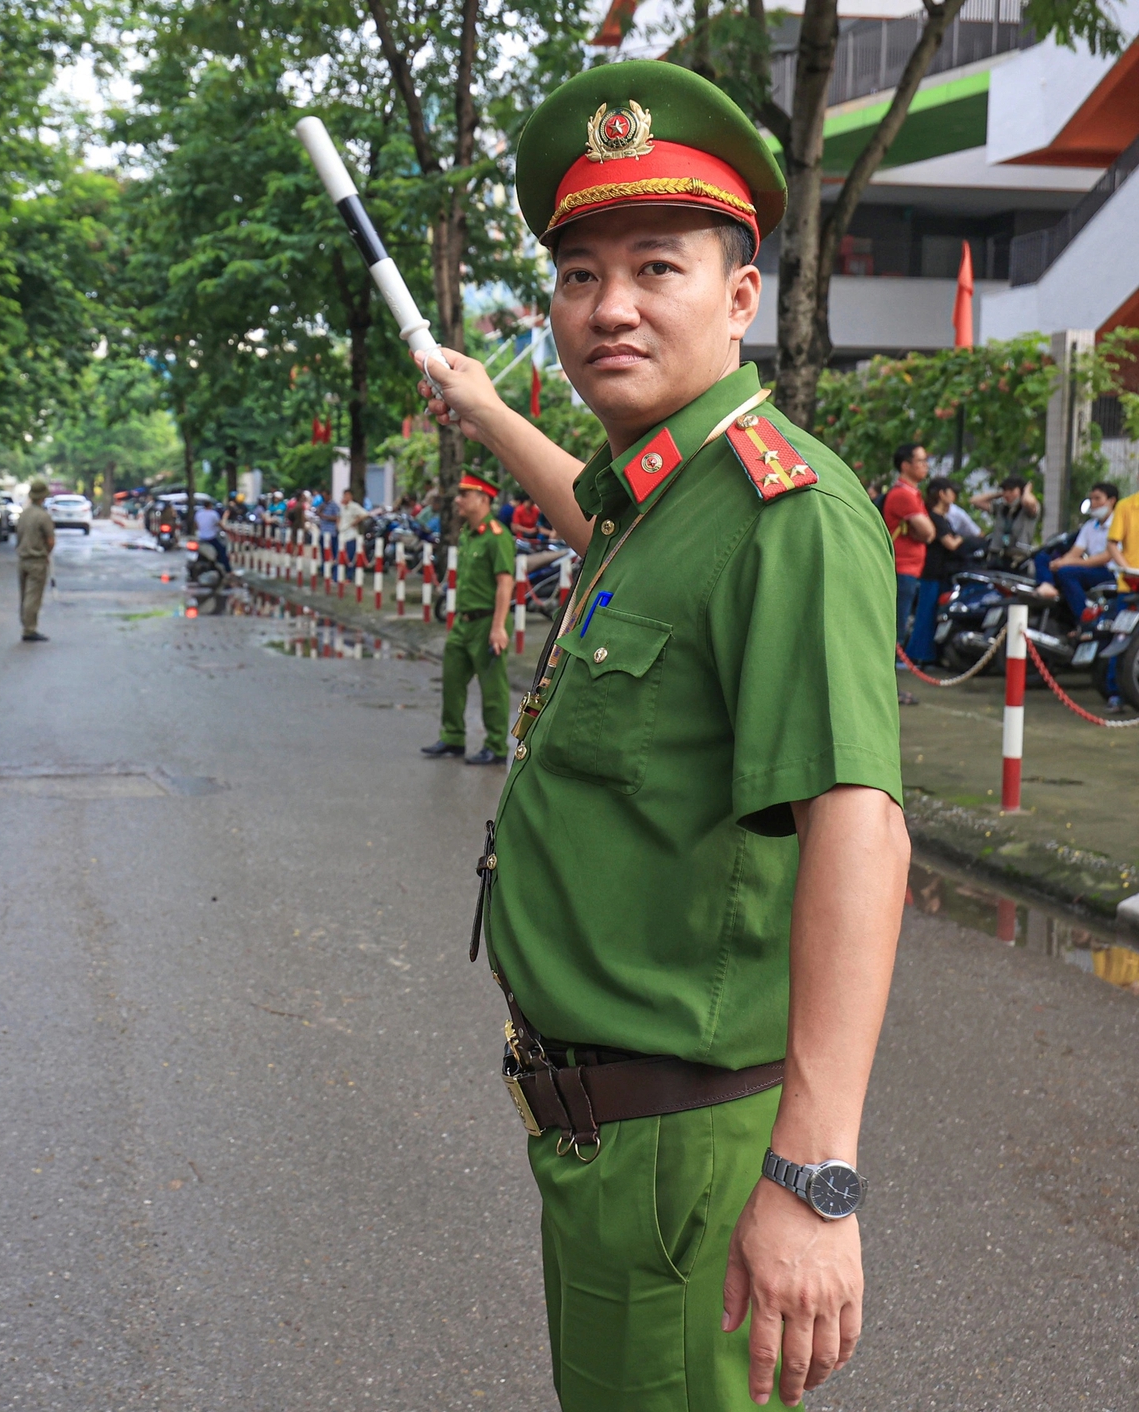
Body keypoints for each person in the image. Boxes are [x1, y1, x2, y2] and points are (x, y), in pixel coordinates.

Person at [415, 60, 905, 1411]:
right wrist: (484, 404)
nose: (607, 306)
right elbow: (603, 526)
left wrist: (815, 1181)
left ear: (741, 296)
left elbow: (861, 832)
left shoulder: (782, 514)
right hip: (608, 1140)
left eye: (654, 267)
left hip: (690, 1150)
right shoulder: (661, 499)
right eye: (577, 275)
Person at [420, 472, 515, 764]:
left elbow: (505, 583)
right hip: (463, 622)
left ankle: (496, 746)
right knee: (452, 679)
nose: (458, 501)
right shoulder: (467, 534)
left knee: (492, 688)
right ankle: (452, 737)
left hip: (488, 622)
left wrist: (498, 627)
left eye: (465, 495)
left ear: (483, 499)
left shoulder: (496, 536)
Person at [909, 479, 982, 664]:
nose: (954, 495)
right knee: (925, 614)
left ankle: (929, 655)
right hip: (932, 572)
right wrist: (962, 539)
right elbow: (950, 543)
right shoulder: (934, 517)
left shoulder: (943, 518)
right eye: (951, 491)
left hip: (942, 573)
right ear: (941, 494)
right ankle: (918, 655)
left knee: (933, 614)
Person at [880, 445, 935, 681]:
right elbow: (928, 532)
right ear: (905, 465)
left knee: (898, 627)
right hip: (901, 570)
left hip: (909, 571)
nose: (925, 466)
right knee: (895, 630)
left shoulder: (912, 494)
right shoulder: (902, 494)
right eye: (921, 461)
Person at [1036, 482, 1119, 621]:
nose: (1093, 503)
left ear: (1111, 501)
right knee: (1043, 557)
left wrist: (1069, 563)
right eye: (1091, 499)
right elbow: (1075, 551)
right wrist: (1061, 562)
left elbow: (1105, 557)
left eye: (1098, 498)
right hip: (1089, 568)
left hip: (1108, 571)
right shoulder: (1090, 526)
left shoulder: (1118, 523)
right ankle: (1047, 585)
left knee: (1067, 573)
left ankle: (1084, 619)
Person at [15, 479, 55, 642]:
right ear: (43, 497)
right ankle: (29, 629)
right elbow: (50, 540)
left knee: (24, 595)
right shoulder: (43, 516)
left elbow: (18, 536)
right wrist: (46, 553)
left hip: (22, 559)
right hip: (37, 561)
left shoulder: (23, 515)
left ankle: (25, 624)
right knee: (33, 596)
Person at [972, 475, 1039, 566]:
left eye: (1011, 490)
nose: (1007, 494)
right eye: (1005, 490)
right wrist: (999, 494)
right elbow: (975, 501)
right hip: (997, 554)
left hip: (1018, 557)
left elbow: (1029, 501)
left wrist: (1026, 491)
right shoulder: (1001, 507)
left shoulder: (1027, 510)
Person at [192, 496, 230, 573]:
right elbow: (219, 524)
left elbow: (196, 525)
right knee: (222, 551)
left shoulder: (199, 513)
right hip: (211, 538)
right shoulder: (213, 514)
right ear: (210, 506)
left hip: (201, 538)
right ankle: (228, 570)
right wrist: (226, 529)